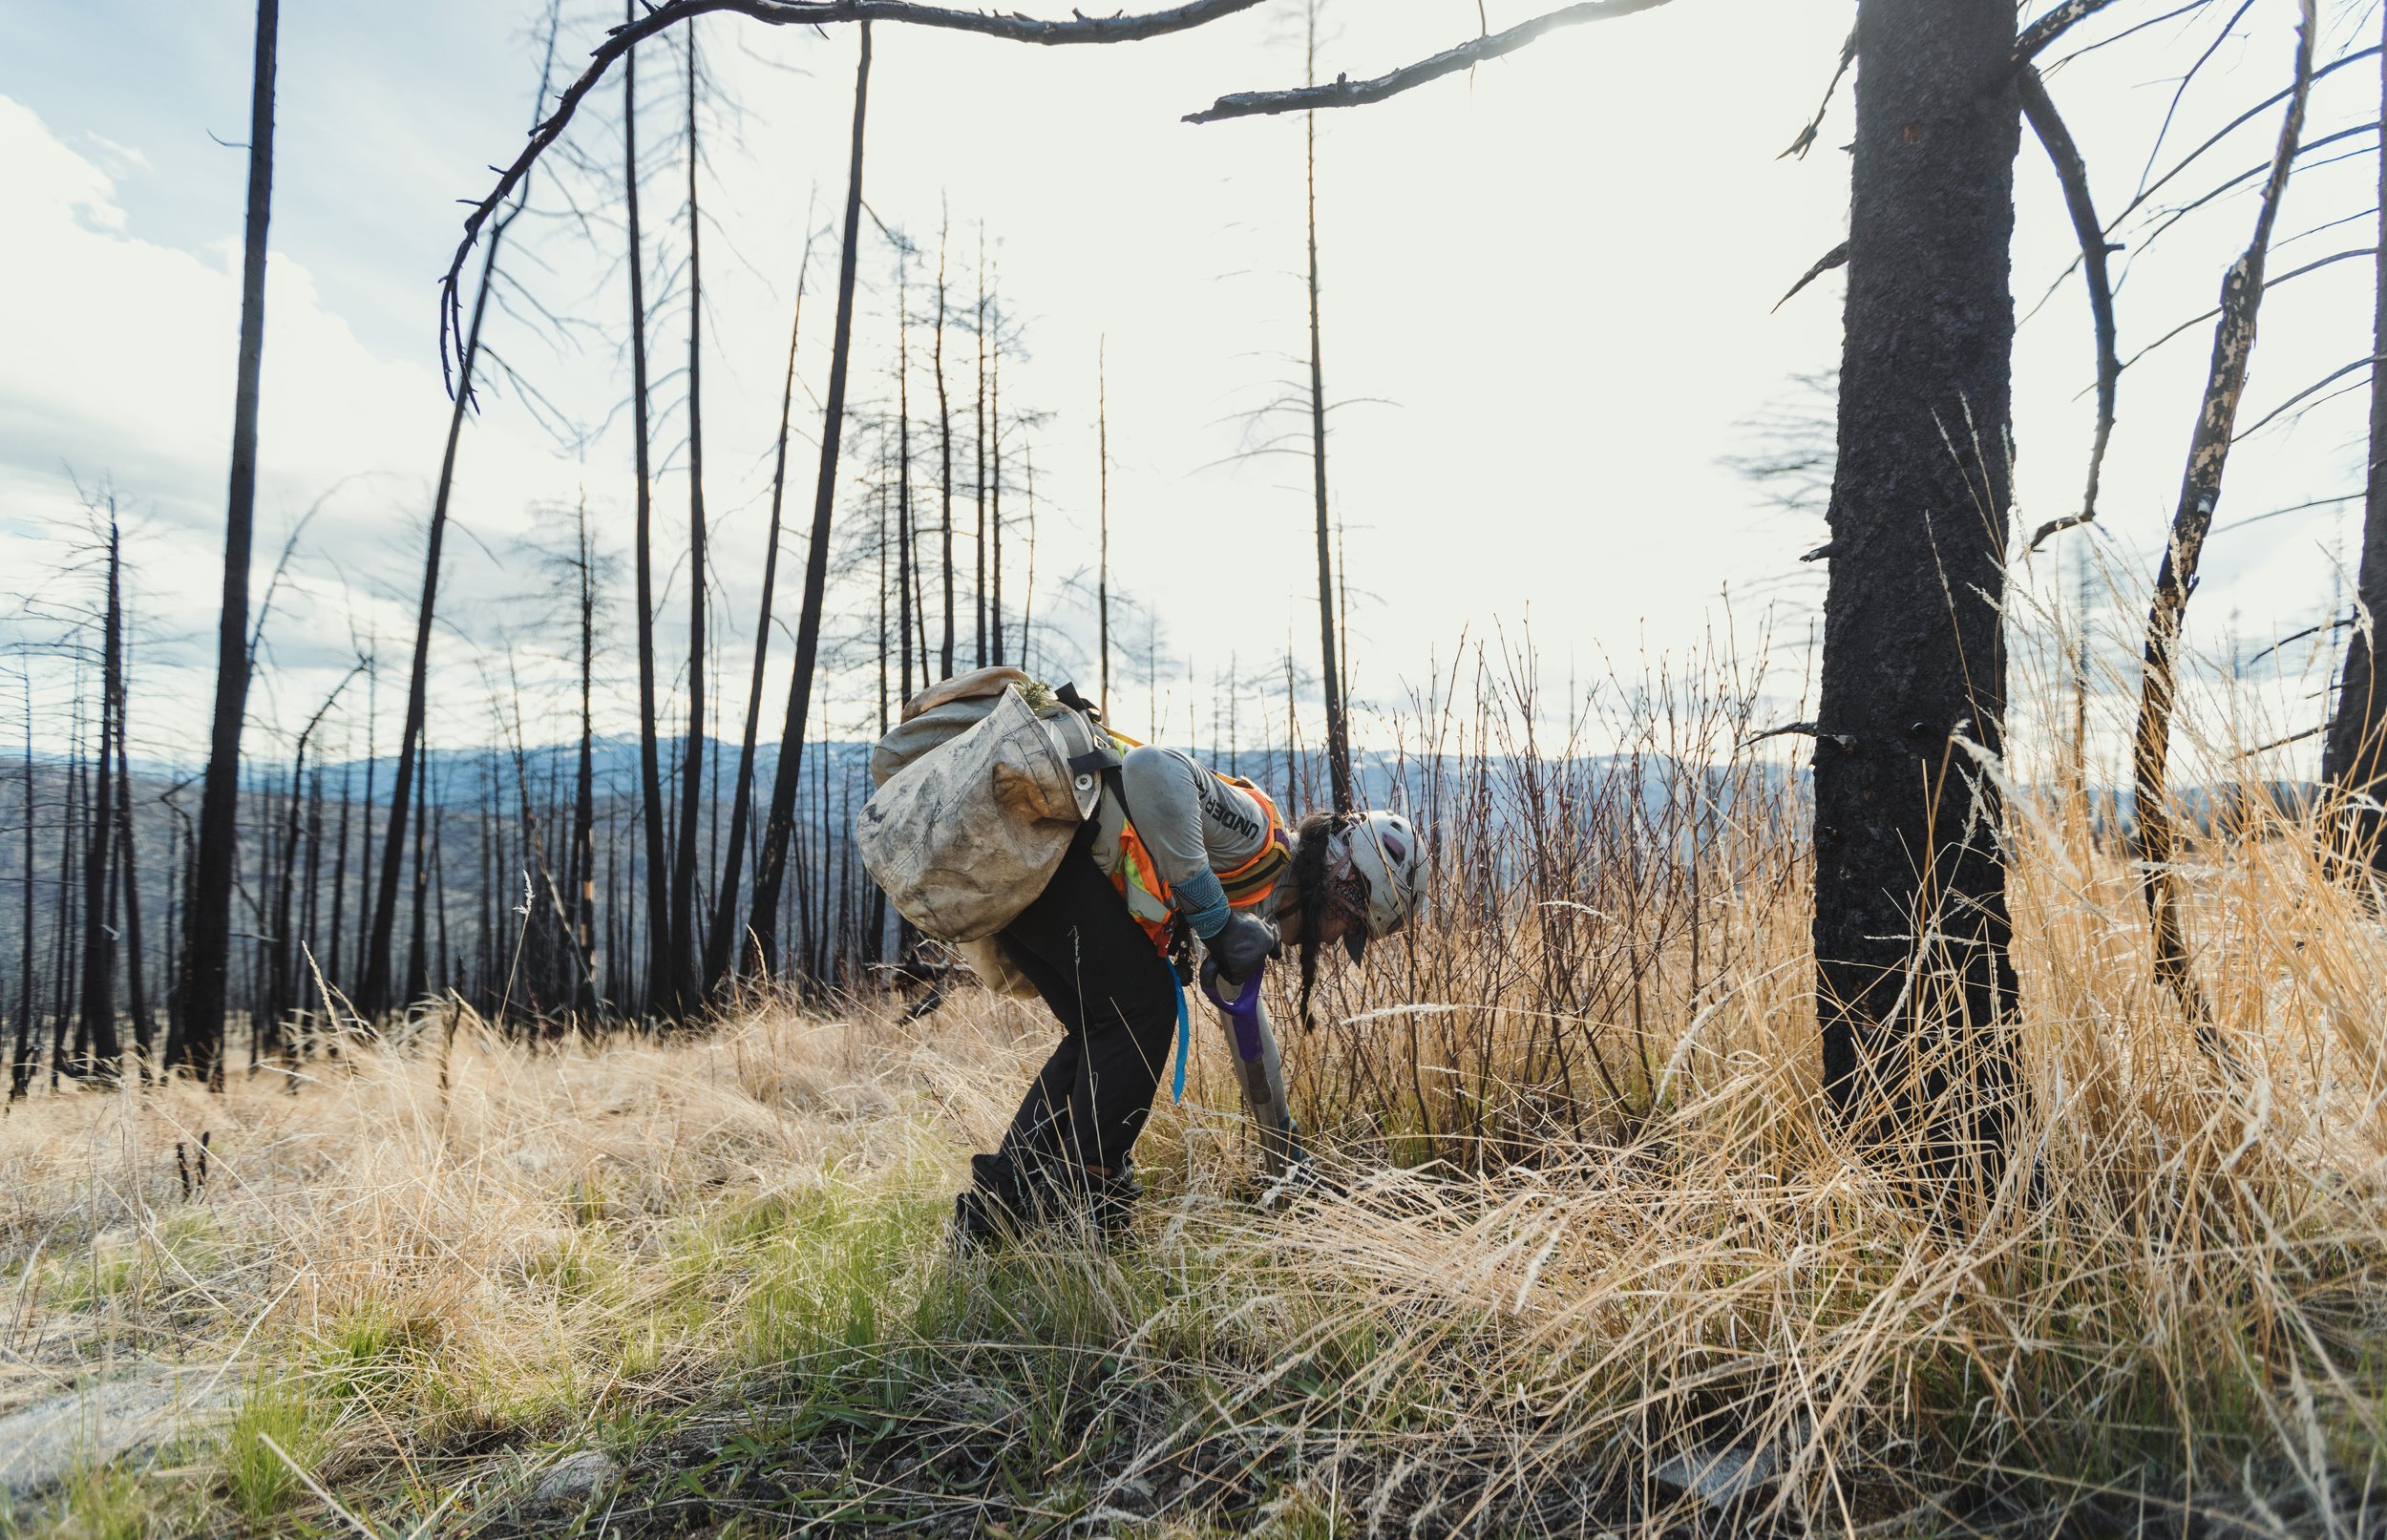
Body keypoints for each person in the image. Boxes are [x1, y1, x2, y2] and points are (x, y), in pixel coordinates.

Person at [952, 728, 1424, 1245]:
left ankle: (991, 1219)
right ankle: (1089, 1217)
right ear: (1342, 889)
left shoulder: (1258, 909)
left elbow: (1248, 1035)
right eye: (1349, 930)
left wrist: (1281, 1149)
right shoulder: (1258, 837)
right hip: (1038, 852)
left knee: (1101, 1032)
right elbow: (1152, 768)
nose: (1334, 943)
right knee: (1143, 1008)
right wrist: (1216, 922)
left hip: (1025, 866)